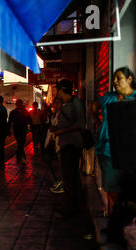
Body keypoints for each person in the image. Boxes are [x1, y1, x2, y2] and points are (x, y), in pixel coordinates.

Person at [92, 67, 136, 216]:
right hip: (107, 149)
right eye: (114, 78)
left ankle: (118, 217)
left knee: (127, 187)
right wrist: (98, 122)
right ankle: (114, 217)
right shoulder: (109, 96)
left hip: (130, 152)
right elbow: (94, 105)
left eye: (118, 78)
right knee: (111, 187)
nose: (114, 81)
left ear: (129, 79)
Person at [51, 79, 85, 218]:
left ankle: (71, 209)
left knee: (70, 177)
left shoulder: (75, 103)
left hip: (72, 144)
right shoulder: (66, 104)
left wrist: (61, 131)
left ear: (62, 90)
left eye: (57, 90)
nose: (56, 92)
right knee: (67, 177)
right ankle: (70, 206)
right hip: (65, 144)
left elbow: (80, 123)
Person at [7, 99, 31, 164]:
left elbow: (29, 119)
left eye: (20, 103)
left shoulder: (24, 111)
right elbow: (9, 122)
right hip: (17, 130)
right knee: (20, 143)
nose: (19, 105)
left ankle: (18, 155)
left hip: (23, 130)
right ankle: (23, 157)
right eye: (18, 104)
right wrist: (8, 130)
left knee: (21, 143)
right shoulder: (13, 112)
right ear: (16, 104)